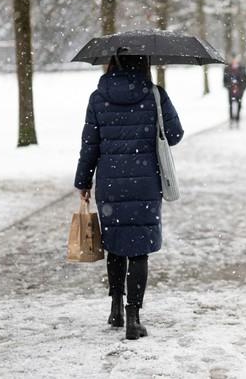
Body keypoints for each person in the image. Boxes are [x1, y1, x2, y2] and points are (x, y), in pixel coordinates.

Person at [74, 54, 183, 341]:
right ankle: (133, 316)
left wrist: (83, 181)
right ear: (143, 64)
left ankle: (114, 308)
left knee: (115, 246)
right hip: (145, 183)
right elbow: (174, 135)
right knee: (139, 250)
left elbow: (89, 145)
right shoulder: (155, 95)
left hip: (110, 185)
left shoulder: (98, 98)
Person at [223, 55, 246, 128]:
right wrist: (229, 87)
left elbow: (245, 79)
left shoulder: (242, 68)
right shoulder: (227, 68)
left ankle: (237, 119)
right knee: (231, 105)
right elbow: (224, 80)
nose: (234, 60)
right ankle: (231, 119)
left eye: (235, 58)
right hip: (231, 90)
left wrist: (242, 88)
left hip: (239, 90)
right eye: (233, 58)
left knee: (239, 105)